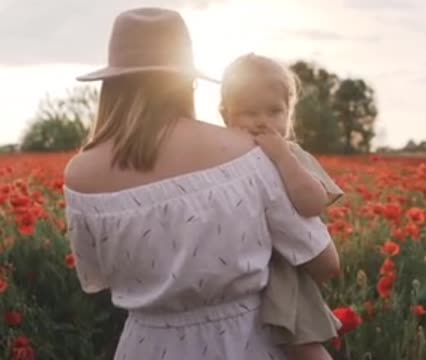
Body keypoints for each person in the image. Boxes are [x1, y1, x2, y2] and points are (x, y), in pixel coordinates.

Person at [62, 7, 340, 360]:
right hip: (244, 342)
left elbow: (96, 277)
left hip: (146, 346)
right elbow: (325, 263)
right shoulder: (248, 153)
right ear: (187, 80)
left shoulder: (79, 176)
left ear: (111, 84)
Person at [218, 54, 343, 360]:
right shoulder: (220, 156)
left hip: (285, 272)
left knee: (302, 346)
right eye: (249, 112)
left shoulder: (292, 154)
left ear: (290, 115)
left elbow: (313, 203)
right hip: (241, 271)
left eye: (275, 111)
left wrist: (282, 159)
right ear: (225, 116)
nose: (263, 121)